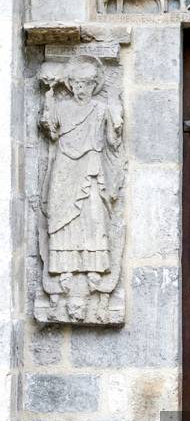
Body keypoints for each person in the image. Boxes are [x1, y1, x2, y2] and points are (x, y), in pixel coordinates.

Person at [39, 56, 123, 299]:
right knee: (61, 215)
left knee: (93, 216)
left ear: (94, 84)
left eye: (87, 84)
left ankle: (94, 267)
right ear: (71, 85)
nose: (82, 89)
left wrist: (116, 118)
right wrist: (48, 101)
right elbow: (52, 132)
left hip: (90, 168)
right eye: (77, 84)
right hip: (65, 168)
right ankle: (63, 268)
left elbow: (112, 141)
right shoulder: (62, 108)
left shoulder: (100, 108)